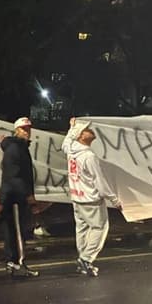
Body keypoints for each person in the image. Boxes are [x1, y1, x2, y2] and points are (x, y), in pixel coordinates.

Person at [62, 117, 120, 276]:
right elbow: (99, 181)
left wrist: (71, 128)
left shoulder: (71, 149)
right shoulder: (88, 156)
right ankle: (86, 259)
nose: (91, 131)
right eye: (87, 130)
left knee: (82, 228)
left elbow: (66, 142)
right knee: (100, 228)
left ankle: (82, 258)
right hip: (90, 199)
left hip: (76, 196)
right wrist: (114, 199)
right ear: (81, 135)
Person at [0, 117, 39, 277]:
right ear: (16, 130)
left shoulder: (18, 146)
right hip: (15, 197)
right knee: (17, 231)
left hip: (14, 196)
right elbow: (13, 175)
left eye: (28, 129)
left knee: (14, 230)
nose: (27, 131)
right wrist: (28, 194)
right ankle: (17, 262)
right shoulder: (15, 148)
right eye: (23, 129)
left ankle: (13, 262)